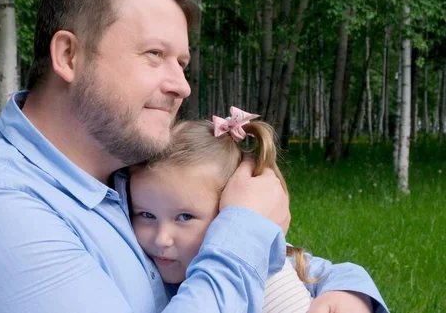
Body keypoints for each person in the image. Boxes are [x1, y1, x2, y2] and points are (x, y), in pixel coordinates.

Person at [0, 0, 389, 312]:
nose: (183, 86)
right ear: (69, 55)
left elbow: (287, 268)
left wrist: (349, 292)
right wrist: (245, 226)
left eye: (182, 63)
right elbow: (239, 250)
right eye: (155, 55)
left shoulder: (123, 170)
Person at [129, 107, 389, 313]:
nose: (161, 238)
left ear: (231, 213)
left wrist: (350, 296)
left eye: (184, 217)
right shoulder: (155, 286)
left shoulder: (269, 260)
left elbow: (335, 272)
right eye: (146, 215)